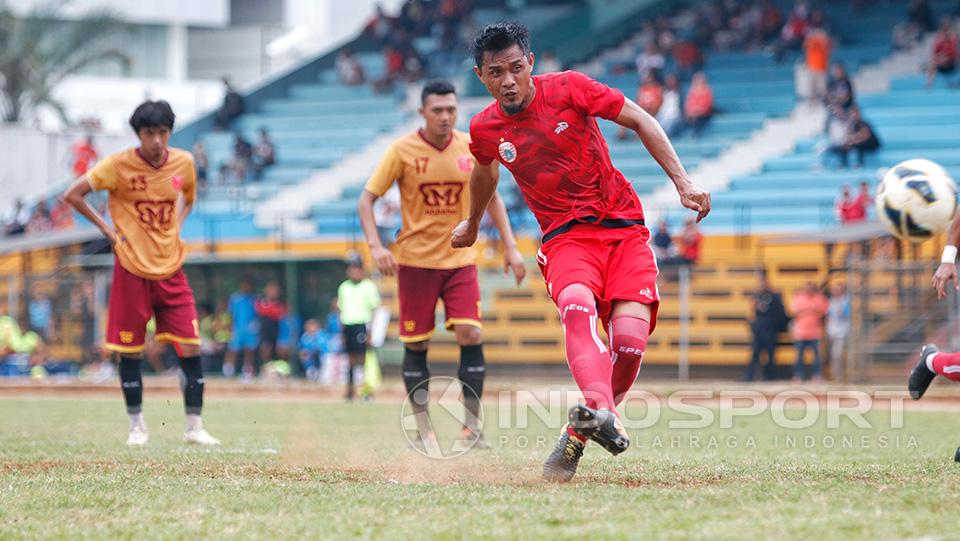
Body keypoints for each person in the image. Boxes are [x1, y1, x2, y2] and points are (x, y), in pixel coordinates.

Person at [455, 23, 710, 482]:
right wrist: (473, 222)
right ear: (482, 77)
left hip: (623, 228)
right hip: (565, 238)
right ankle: (601, 411)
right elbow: (485, 174)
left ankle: (580, 431)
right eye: (496, 73)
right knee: (577, 305)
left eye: (515, 68)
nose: (508, 80)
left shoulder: (571, 87)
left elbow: (640, 119)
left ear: (530, 64)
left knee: (630, 344)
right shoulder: (485, 127)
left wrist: (683, 182)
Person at [358, 79, 525, 450]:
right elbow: (366, 200)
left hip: (460, 259)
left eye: (451, 109)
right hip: (415, 262)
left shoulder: (471, 145)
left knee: (472, 334)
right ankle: (424, 429)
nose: (446, 116)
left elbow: (492, 197)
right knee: (417, 344)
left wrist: (511, 248)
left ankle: (471, 428)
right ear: (422, 112)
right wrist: (375, 245)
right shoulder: (401, 151)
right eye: (438, 110)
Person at [63, 100, 219, 446]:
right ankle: (137, 427)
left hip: (171, 267)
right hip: (131, 267)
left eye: (163, 132)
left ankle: (195, 426)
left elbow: (190, 199)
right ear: (139, 134)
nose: (158, 140)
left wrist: (176, 227)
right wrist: (106, 230)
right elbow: (72, 194)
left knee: (191, 346)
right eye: (150, 133)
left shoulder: (184, 163)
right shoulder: (117, 166)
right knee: (128, 350)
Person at [336, 260, 381, 401]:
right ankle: (350, 391)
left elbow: (374, 310)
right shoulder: (344, 287)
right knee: (350, 360)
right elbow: (341, 310)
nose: (354, 273)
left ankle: (366, 391)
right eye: (351, 270)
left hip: (361, 325)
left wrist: (370, 332)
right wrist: (341, 332)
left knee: (363, 360)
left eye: (357, 270)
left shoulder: (369, 286)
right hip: (347, 325)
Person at [744, 272, 788, 382]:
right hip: (759, 330)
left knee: (770, 354)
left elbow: (780, 313)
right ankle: (750, 376)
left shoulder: (774, 297)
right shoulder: (757, 297)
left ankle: (770, 376)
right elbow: (754, 314)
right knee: (755, 353)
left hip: (770, 330)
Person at [790, 282, 829, 382]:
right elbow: (794, 311)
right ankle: (799, 375)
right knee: (799, 356)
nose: (808, 290)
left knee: (816, 356)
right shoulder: (798, 298)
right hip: (801, 333)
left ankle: (817, 375)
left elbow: (823, 311)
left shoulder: (819, 298)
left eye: (811, 288)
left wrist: (806, 311)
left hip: (815, 332)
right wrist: (811, 310)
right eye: (807, 288)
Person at [224, 279, 258, 380]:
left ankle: (247, 372)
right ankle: (228, 370)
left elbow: (257, 314)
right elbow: (230, 314)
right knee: (233, 350)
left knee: (249, 351)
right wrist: (230, 328)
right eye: (244, 285)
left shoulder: (254, 299)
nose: (246, 287)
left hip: (250, 330)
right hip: (237, 329)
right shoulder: (235, 298)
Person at [255, 281, 287, 364]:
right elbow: (261, 311)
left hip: (279, 329)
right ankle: (267, 366)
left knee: (281, 349)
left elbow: (281, 314)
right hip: (265, 331)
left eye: (275, 290)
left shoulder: (281, 304)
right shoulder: (261, 302)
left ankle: (281, 367)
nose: (273, 292)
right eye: (270, 290)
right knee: (266, 348)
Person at [826, 281, 850, 381]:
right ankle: (836, 374)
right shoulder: (831, 301)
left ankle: (840, 375)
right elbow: (829, 316)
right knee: (833, 355)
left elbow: (846, 315)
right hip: (832, 330)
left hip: (843, 330)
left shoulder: (847, 301)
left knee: (838, 354)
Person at [803, 27, 831, 103]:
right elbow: (806, 45)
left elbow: (826, 43)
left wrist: (821, 37)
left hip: (821, 68)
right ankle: (812, 103)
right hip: (811, 68)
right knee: (811, 88)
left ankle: (823, 103)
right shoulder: (811, 41)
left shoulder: (824, 43)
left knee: (821, 89)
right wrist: (814, 36)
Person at [927, 19, 958, 87]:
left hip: (951, 65)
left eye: (947, 29)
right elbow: (935, 55)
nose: (945, 31)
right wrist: (940, 59)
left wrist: (945, 58)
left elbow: (954, 56)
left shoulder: (953, 41)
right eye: (944, 29)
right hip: (941, 64)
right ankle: (929, 85)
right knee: (932, 64)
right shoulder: (938, 42)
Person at [684, 72, 714, 137]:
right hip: (693, 114)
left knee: (698, 119)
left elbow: (707, 106)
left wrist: (697, 111)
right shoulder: (692, 92)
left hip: (703, 114)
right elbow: (688, 104)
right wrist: (691, 111)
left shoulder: (707, 91)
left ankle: (696, 134)